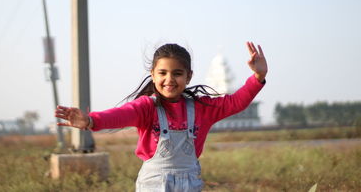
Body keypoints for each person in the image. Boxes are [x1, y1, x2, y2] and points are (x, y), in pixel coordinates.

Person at [55, 42, 267, 192]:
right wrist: (91, 121)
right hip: (152, 185)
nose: (169, 79)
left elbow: (236, 102)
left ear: (188, 76)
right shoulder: (146, 108)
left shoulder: (202, 108)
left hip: (190, 184)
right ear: (153, 75)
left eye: (177, 73)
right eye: (162, 73)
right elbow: (119, 115)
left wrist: (258, 77)